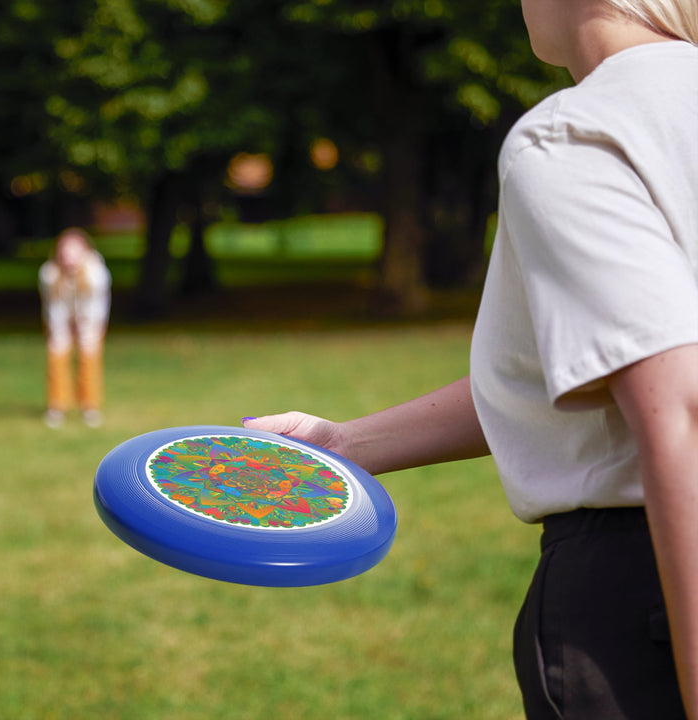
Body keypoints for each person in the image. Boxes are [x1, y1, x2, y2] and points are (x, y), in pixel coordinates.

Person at [242, 1, 698, 717]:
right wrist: (346, 444)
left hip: (647, 595)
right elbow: (589, 369)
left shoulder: (578, 134)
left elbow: (680, 408)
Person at [38, 227, 111, 428]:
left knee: (89, 357)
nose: (69, 257)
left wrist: (84, 326)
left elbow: (96, 306)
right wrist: (62, 329)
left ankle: (90, 406)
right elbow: (54, 306)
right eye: (65, 251)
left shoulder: (96, 273)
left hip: (90, 319)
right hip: (60, 319)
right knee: (57, 354)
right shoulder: (49, 274)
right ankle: (57, 406)